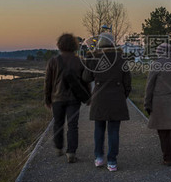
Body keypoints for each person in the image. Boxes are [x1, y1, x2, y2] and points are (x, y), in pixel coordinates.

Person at [83, 32, 131, 172]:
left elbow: (86, 78)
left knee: (99, 129)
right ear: (112, 43)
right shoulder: (121, 59)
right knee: (114, 131)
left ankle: (98, 158)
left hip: (99, 99)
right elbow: (127, 82)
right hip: (116, 98)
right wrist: (122, 96)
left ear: (100, 44)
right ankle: (112, 161)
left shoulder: (95, 58)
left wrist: (88, 59)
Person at [44, 33, 89, 163]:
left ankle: (58, 148)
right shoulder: (80, 60)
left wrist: (47, 99)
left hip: (57, 98)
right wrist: (88, 97)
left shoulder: (53, 61)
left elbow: (48, 82)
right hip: (74, 99)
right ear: (74, 45)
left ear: (60, 45)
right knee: (73, 126)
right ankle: (71, 152)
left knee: (58, 123)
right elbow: (85, 81)